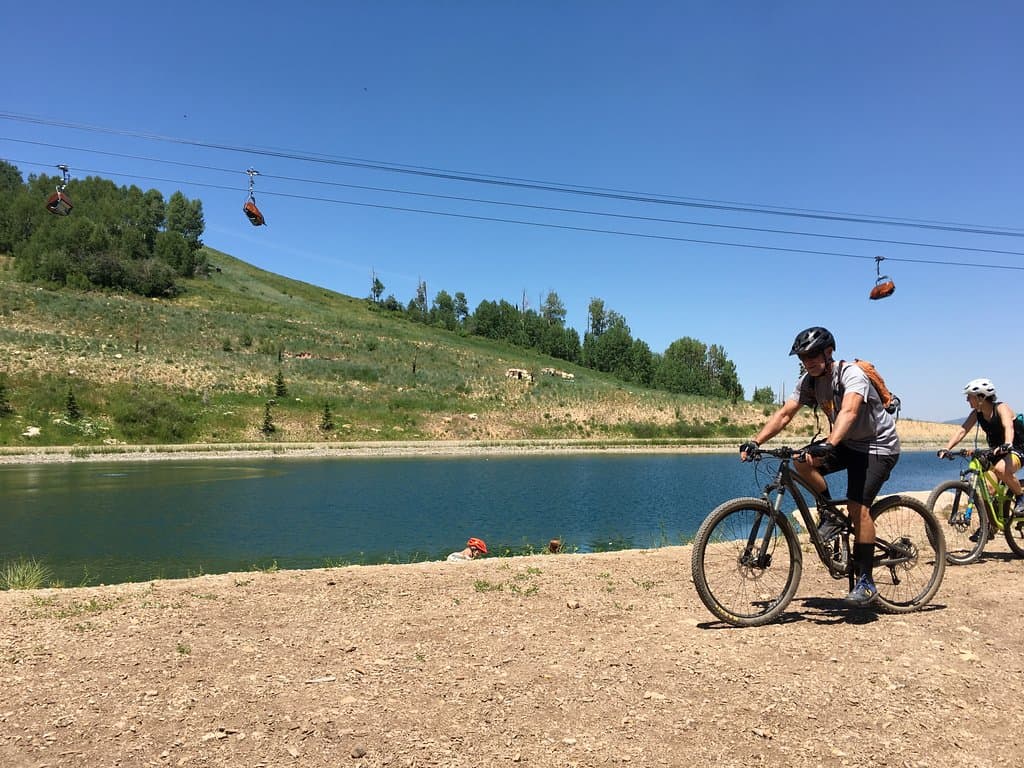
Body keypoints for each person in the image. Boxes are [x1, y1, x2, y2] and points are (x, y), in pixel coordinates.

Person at [739, 327, 900, 606]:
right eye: (803, 357)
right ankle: (830, 515)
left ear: (828, 352)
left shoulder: (851, 375)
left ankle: (866, 582)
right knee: (803, 460)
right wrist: (756, 440)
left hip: (878, 446)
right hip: (847, 443)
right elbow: (785, 413)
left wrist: (831, 442)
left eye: (812, 355)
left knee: (857, 507)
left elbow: (849, 411)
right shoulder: (809, 382)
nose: (807, 361)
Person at [938, 378, 1024, 518]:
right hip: (997, 450)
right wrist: (946, 448)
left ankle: (1021, 498)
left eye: (969, 396)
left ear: (981, 397)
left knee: (1001, 469)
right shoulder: (977, 414)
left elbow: (1008, 427)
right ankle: (989, 527)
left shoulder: (1002, 408)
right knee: (987, 489)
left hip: (1017, 448)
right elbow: (962, 430)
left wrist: (1007, 443)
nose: (967, 400)